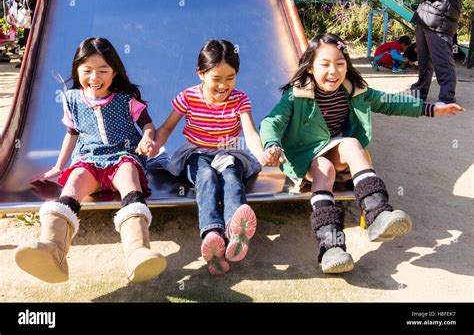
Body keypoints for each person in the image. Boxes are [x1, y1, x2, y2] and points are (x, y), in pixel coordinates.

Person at [260, 34, 465, 274]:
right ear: (310, 68)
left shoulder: (355, 90)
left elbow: (390, 102)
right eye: (324, 64)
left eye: (340, 63)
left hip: (335, 148)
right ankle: (330, 247)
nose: (333, 71)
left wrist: (431, 109)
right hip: (304, 155)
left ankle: (377, 214)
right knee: (323, 169)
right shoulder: (297, 95)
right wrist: (272, 144)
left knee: (352, 145)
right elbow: (271, 121)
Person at [15, 37, 167, 284]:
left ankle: (137, 251)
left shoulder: (126, 99)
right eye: (87, 70)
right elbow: (72, 134)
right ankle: (52, 250)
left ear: (114, 72)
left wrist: (148, 138)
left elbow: (147, 125)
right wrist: (58, 166)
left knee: (129, 179)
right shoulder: (72, 99)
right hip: (89, 159)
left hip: (123, 155)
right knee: (72, 184)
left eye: (102, 70)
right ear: (77, 70)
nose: (94, 77)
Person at [152, 39, 265, 275]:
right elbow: (166, 128)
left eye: (230, 78)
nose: (224, 85)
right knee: (205, 177)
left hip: (227, 152)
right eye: (216, 78)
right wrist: (154, 144)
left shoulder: (240, 99)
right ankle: (212, 233)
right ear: (201, 73)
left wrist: (262, 153)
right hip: (197, 152)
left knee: (232, 178)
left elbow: (251, 133)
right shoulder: (189, 97)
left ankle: (236, 234)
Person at [410, 0, 466, 104]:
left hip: (440, 19)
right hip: (425, 17)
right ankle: (419, 93)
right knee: (423, 60)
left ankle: (447, 97)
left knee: (443, 61)